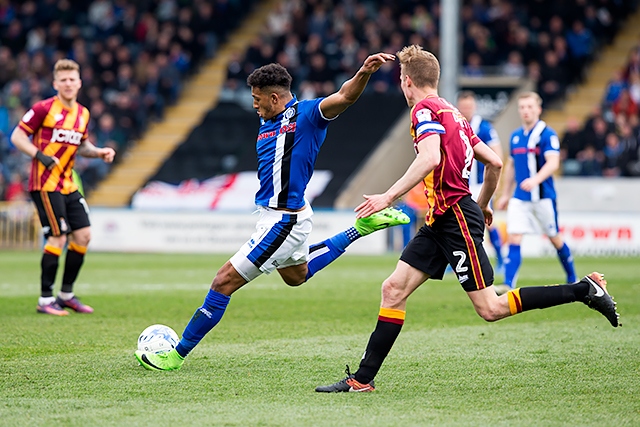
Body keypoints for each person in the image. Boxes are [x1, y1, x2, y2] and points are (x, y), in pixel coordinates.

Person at [315, 45, 619, 393]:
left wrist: (388, 196)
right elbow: (495, 162)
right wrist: (484, 204)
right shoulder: (454, 114)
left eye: (401, 81)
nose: (402, 87)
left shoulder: (424, 110)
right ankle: (362, 380)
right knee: (393, 289)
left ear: (407, 81)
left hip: (455, 217)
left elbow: (430, 157)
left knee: (491, 308)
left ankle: (584, 290)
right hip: (444, 217)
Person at [135, 53, 410, 371]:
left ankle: (176, 356)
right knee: (297, 276)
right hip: (283, 216)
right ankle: (360, 229)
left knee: (223, 282)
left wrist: (363, 72)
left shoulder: (307, 115)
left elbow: (345, 96)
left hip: (284, 219)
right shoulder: (268, 120)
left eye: (257, 99)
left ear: (275, 97)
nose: (254, 105)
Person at [10, 58, 115, 316]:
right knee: (58, 236)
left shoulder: (83, 113)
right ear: (55, 83)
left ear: (79, 83)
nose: (68, 84)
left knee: (83, 236)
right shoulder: (44, 108)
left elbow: (82, 146)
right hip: (44, 184)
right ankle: (45, 300)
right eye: (63, 80)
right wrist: (40, 156)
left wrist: (99, 152)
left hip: (67, 183)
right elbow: (17, 136)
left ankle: (66, 295)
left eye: (72, 79)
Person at [494, 92, 576, 294]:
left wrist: (535, 179)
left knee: (554, 237)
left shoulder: (547, 134)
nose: (525, 111)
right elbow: (511, 166)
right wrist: (505, 193)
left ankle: (572, 278)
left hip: (543, 197)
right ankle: (508, 284)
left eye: (530, 107)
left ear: (538, 109)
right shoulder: (515, 136)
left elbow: (553, 162)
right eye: (522, 107)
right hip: (520, 197)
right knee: (514, 237)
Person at [456, 90, 504, 272]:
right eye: (463, 106)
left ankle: (500, 258)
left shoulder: (484, 127)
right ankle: (453, 260)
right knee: (456, 222)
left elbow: (496, 153)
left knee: (486, 221)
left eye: (469, 106)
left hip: (479, 184)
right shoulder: (455, 124)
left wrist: (494, 182)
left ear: (474, 107)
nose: (466, 109)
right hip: (461, 184)